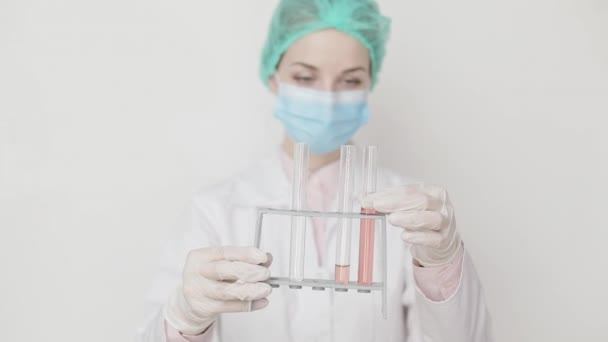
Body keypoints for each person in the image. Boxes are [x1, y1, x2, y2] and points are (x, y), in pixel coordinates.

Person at [136, 0, 493, 341]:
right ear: (274, 76)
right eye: (306, 77)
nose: (328, 97)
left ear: (370, 83)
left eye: (350, 80)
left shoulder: (415, 214)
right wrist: (183, 321)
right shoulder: (217, 210)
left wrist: (442, 266)